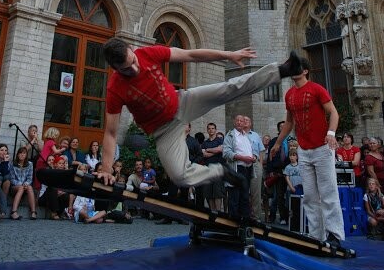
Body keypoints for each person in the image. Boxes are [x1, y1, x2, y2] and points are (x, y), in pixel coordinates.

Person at [99, 38, 303, 196]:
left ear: (132, 51)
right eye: (126, 69)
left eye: (133, 61)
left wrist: (229, 54)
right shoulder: (115, 89)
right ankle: (220, 172)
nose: (134, 69)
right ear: (115, 69)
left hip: (182, 102)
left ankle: (283, 69)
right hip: (163, 131)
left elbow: (192, 55)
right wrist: (107, 169)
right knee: (180, 177)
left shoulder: (147, 54)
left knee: (230, 88)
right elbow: (110, 133)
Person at [270, 55, 345, 248]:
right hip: (303, 150)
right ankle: (316, 236)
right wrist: (278, 143)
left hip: (322, 148)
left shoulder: (316, 89)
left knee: (328, 193)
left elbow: (334, 112)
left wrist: (331, 133)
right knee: (310, 196)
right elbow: (289, 122)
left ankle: (335, 235)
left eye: (297, 67)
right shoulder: (289, 95)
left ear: (305, 71)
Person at [223, 114, 260, 223]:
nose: (239, 122)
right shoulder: (230, 135)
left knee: (245, 196)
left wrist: (254, 157)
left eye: (242, 121)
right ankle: (233, 222)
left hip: (247, 169)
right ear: (234, 122)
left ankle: (245, 222)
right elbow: (226, 153)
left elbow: (254, 151)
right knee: (234, 196)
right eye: (237, 120)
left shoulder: (247, 136)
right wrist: (242, 158)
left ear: (244, 124)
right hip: (236, 168)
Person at [266, 121, 290, 225]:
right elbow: (269, 158)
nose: (283, 127)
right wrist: (270, 170)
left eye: (285, 125)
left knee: (286, 195)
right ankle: (276, 216)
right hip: (277, 171)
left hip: (289, 171)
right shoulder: (274, 141)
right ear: (278, 129)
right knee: (277, 195)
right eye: (281, 126)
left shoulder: (291, 141)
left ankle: (288, 216)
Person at [243, 115, 265, 221]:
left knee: (256, 192)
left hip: (255, 164)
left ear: (251, 123)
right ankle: (245, 215)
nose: (245, 121)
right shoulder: (237, 135)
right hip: (242, 164)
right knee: (243, 191)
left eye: (247, 120)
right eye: (244, 120)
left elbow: (261, 150)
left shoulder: (256, 135)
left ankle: (256, 217)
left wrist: (260, 164)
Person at [201, 122, 224, 212]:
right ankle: (212, 213)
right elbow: (204, 155)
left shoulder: (220, 140)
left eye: (212, 128)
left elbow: (220, 149)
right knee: (209, 193)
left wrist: (208, 150)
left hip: (217, 169)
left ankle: (218, 213)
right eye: (209, 128)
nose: (211, 130)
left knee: (217, 193)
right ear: (207, 130)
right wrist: (215, 151)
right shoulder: (204, 143)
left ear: (215, 130)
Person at [9, 146, 37, 220]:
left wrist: (26, 184)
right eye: (20, 153)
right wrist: (21, 184)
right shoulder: (12, 164)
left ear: (26, 155)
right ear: (17, 154)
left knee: (30, 187)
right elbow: (12, 179)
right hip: (15, 187)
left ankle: (33, 212)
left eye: (24, 153)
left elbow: (30, 178)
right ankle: (13, 212)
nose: (22, 155)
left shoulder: (30, 164)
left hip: (25, 186)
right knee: (21, 188)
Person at [365, 137, 384, 209]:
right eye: (370, 143)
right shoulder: (369, 157)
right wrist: (378, 184)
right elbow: (371, 172)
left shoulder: (381, 154)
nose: (372, 145)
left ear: (378, 145)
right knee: (381, 203)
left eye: (374, 143)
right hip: (378, 183)